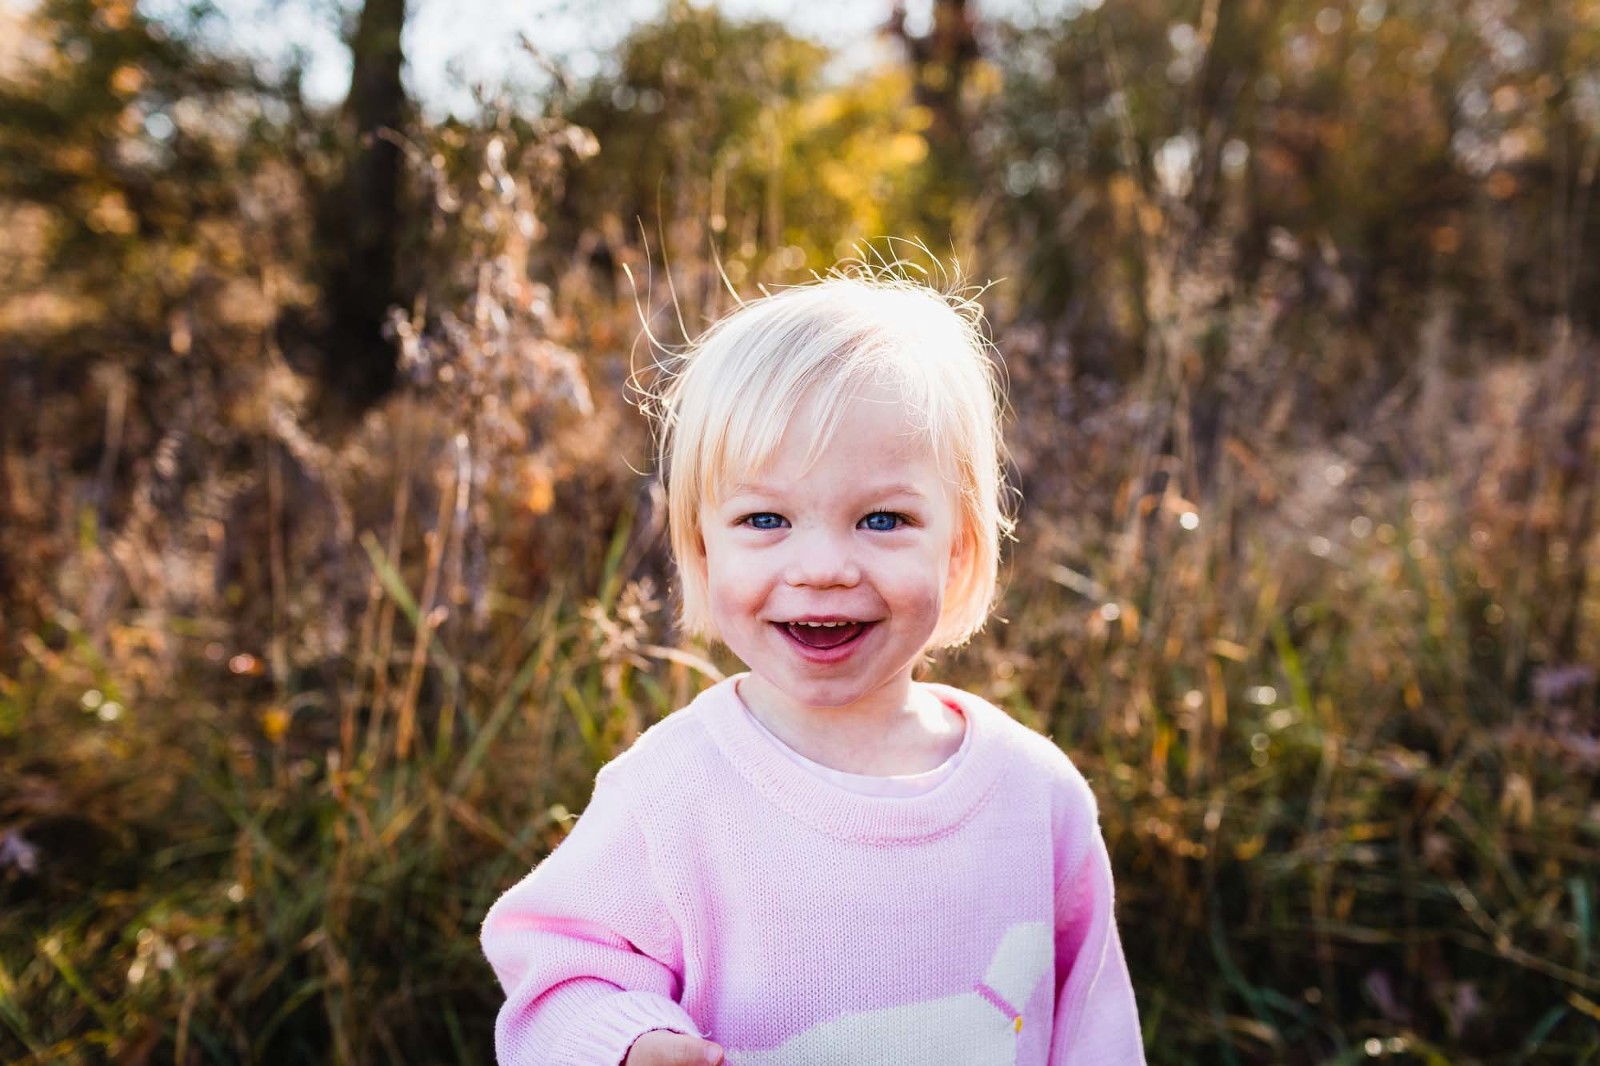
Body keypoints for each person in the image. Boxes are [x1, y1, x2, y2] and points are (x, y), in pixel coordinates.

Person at [480, 270, 1145, 1065]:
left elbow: (1094, 1030)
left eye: (884, 519)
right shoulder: (670, 793)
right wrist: (628, 1043)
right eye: (766, 518)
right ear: (700, 547)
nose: (823, 567)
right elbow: (558, 975)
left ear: (960, 547)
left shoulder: (1036, 798)